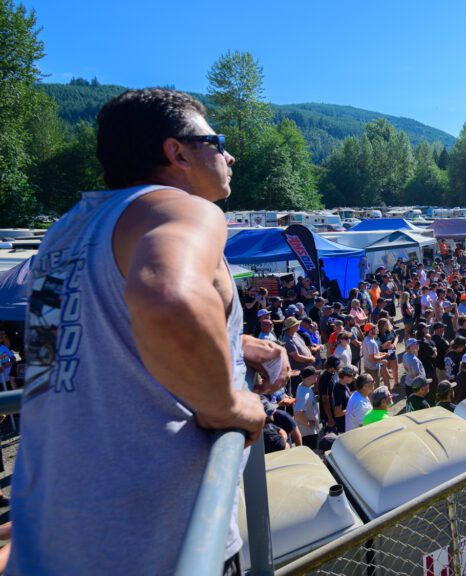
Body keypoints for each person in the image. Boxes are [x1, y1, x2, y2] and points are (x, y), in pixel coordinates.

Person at [11, 89, 291, 575]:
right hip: (158, 542)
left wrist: (231, 343)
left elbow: (63, 351)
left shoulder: (64, 233)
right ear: (177, 152)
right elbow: (168, 300)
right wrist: (225, 402)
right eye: (215, 140)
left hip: (50, 539)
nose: (230, 154)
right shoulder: (180, 209)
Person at [293, 366, 321, 449]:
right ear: (308, 378)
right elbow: (298, 413)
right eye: (315, 375)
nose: (317, 376)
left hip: (308, 431)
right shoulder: (304, 394)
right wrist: (308, 424)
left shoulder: (304, 386)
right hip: (307, 433)